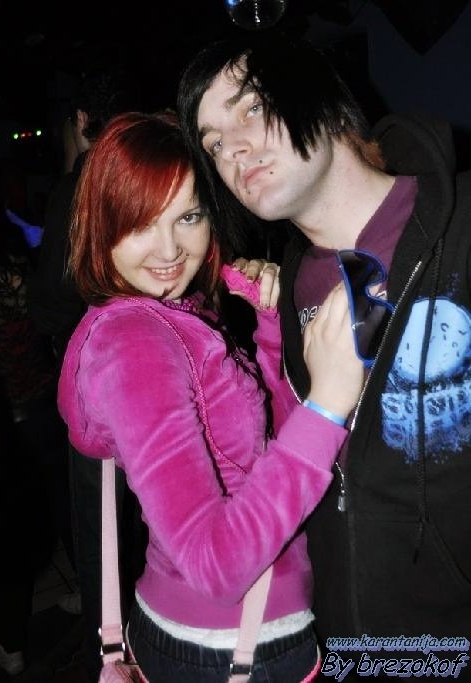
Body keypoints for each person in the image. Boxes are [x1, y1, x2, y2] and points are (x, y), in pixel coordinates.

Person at [177, 33, 471, 674]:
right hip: (349, 652)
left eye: (252, 107)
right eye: (213, 143)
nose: (233, 150)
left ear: (328, 102)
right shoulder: (289, 297)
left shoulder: (462, 232)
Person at [56, 111, 364, 683]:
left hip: (223, 637)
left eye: (188, 216)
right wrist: (328, 405)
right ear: (101, 226)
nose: (169, 249)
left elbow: (262, 449)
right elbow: (216, 565)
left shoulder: (172, 317)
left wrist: (269, 331)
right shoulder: (135, 343)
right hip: (231, 650)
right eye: (140, 223)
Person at [29, 66, 146, 681]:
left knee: (101, 522)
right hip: (156, 366)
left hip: (99, 380)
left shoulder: (80, 185)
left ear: (80, 120)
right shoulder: (148, 168)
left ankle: (110, 646)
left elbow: (51, 299)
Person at [0, 193, 65, 675]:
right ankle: (89, 596)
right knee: (57, 507)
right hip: (43, 409)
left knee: (6, 531)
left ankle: (10, 639)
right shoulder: (19, 275)